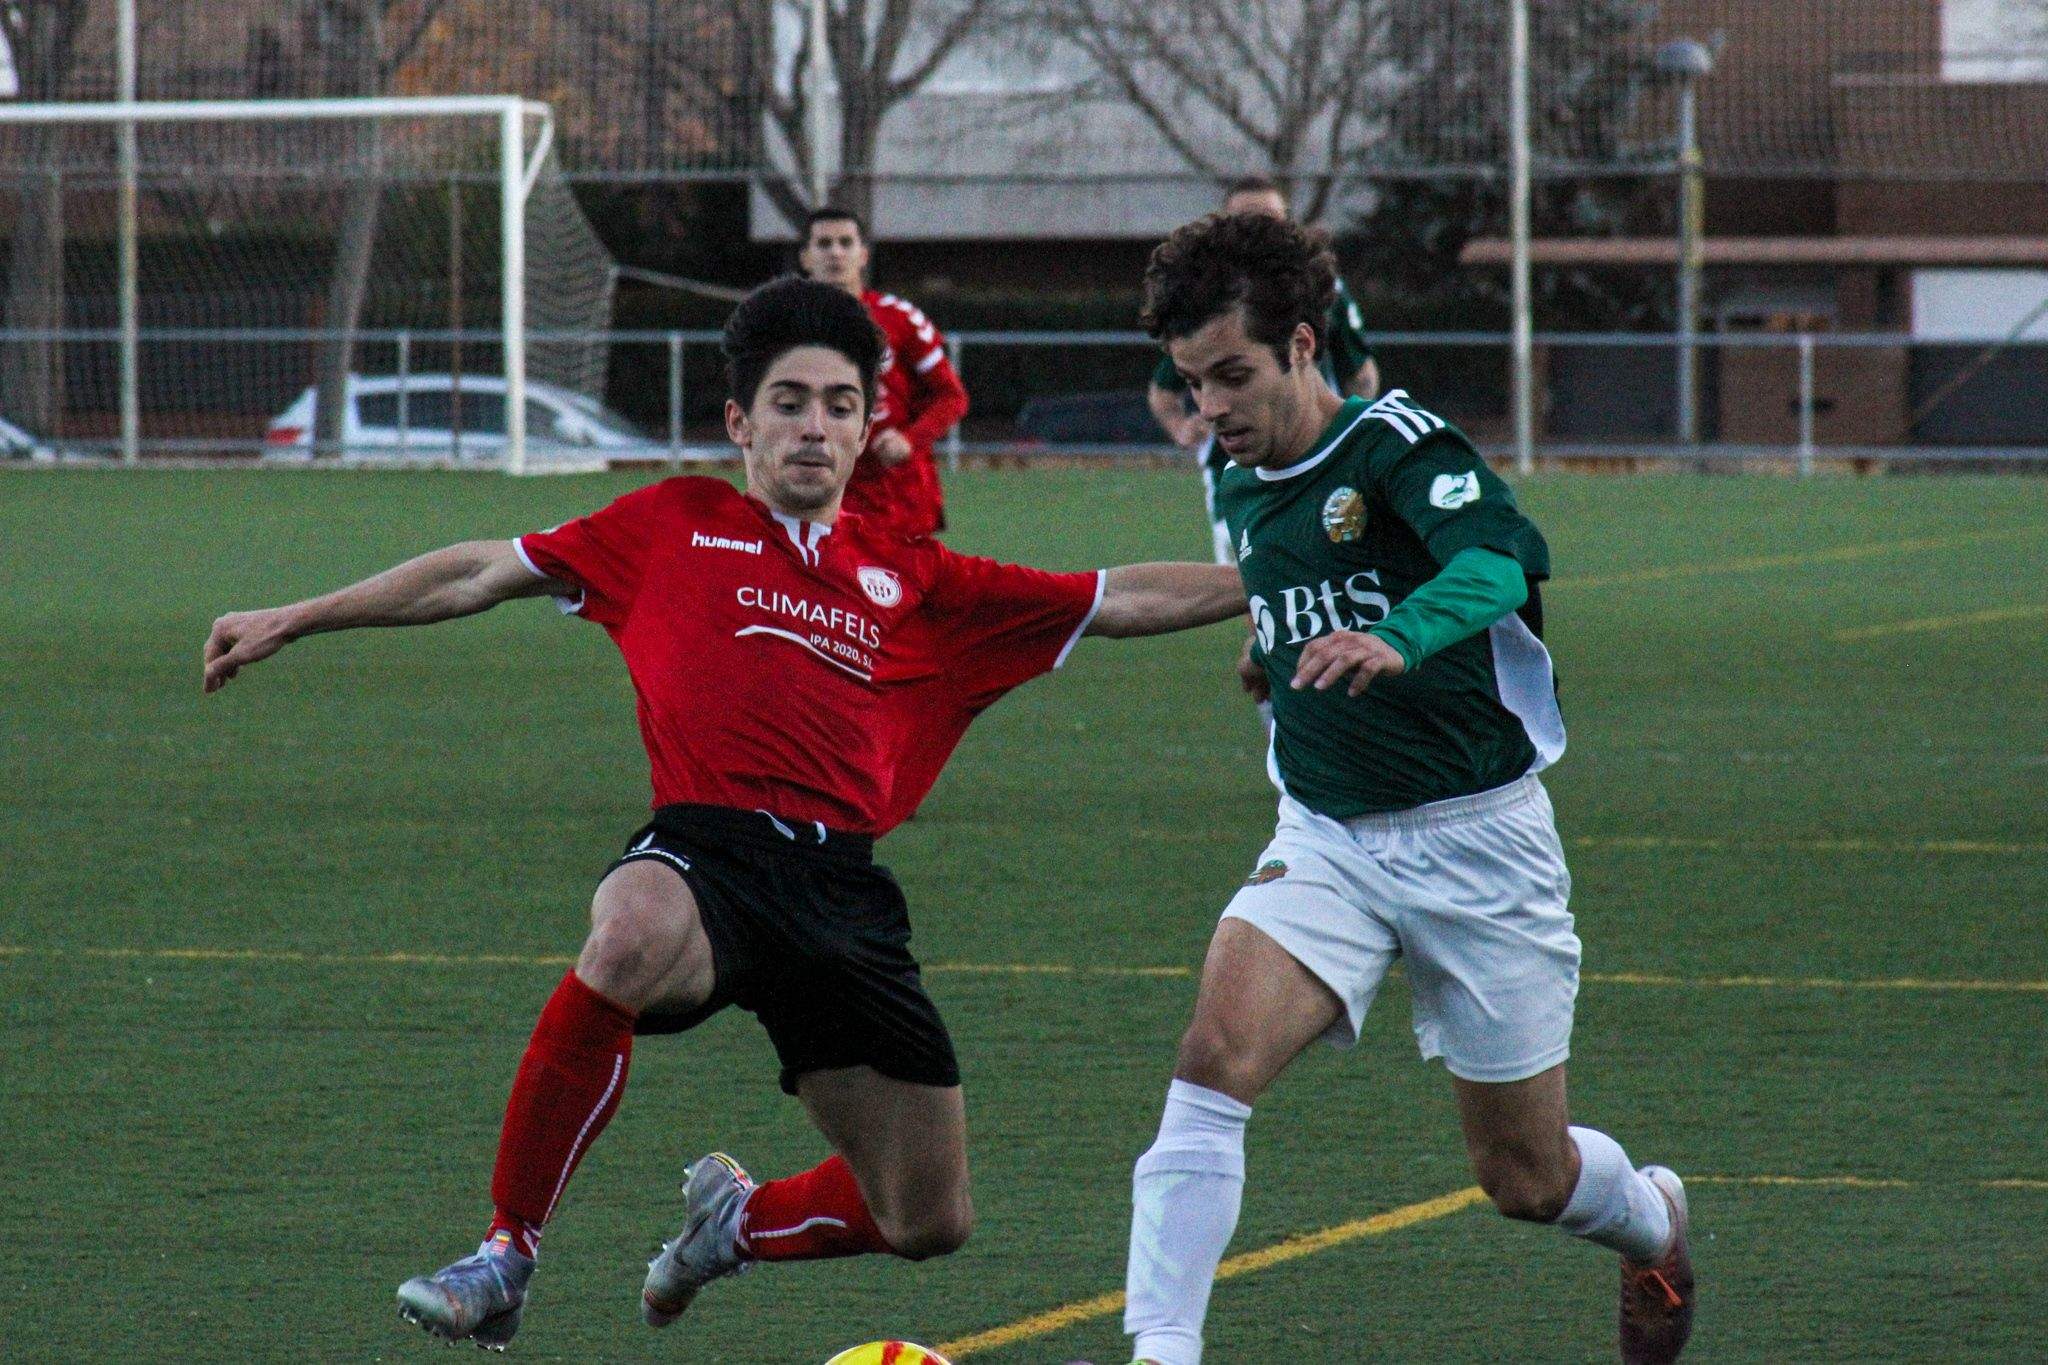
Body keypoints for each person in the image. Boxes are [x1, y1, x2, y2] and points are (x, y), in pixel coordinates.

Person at [201, 276, 1247, 1351]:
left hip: (842, 893)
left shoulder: (914, 575)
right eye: (789, 402)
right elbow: (476, 571)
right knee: (629, 931)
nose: (815, 427)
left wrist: (1270, 575)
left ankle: (733, 1225)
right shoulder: (667, 524)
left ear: (865, 426)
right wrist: (300, 615)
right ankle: (505, 1254)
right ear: (741, 424)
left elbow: (1116, 596)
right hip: (706, 858)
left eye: (840, 405)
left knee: (927, 1218)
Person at [1106, 214, 1694, 1365]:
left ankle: (1654, 1224)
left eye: (1232, 376)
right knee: (1212, 1059)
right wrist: (1270, 648)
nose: (1211, 408)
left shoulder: (1396, 443)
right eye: (1189, 384)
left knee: (1524, 1178)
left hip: (1478, 841)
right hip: (1325, 835)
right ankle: (1159, 1352)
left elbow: (1496, 561)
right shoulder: (1228, 467)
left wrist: (1397, 636)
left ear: (1303, 347)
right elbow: (1277, 587)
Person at [1146, 176, 1378, 566]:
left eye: (1271, 219)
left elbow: (1362, 373)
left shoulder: (1322, 292)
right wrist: (1181, 428)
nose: (1260, 231)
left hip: (1318, 456)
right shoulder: (1203, 306)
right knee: (1252, 585)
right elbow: (1163, 391)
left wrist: (1353, 429)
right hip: (1231, 466)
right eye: (1246, 220)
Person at [799, 205, 968, 537]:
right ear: (805, 257)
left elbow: (951, 397)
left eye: (845, 243)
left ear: (863, 254)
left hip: (896, 495)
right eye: (824, 244)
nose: (835, 252)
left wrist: (910, 439)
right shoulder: (784, 325)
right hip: (819, 487)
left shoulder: (899, 318)